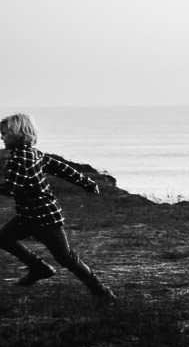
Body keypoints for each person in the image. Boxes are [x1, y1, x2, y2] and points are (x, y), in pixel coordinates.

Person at [0, 113, 116, 303]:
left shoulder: (20, 159)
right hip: (28, 217)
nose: (1, 137)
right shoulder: (33, 153)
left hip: (44, 219)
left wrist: (88, 184)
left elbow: (10, 188)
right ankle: (39, 268)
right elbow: (61, 168)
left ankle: (103, 293)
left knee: (67, 258)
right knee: (4, 238)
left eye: (5, 133)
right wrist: (87, 183)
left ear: (18, 133)